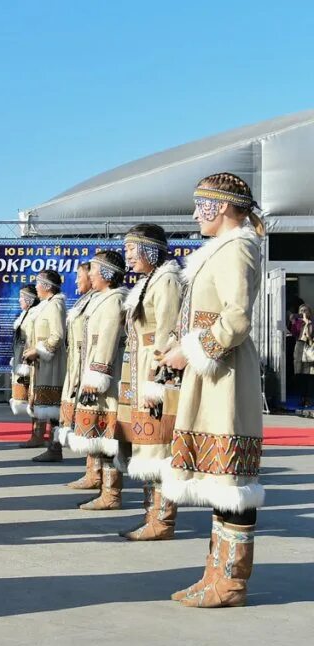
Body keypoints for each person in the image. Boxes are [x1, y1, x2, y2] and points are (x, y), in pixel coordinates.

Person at [158, 172, 265, 608]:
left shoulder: (238, 248)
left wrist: (194, 351)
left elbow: (237, 318)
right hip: (211, 371)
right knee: (220, 478)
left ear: (221, 206)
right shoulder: (219, 251)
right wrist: (180, 343)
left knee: (232, 479)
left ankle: (231, 583)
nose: (194, 213)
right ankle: (215, 574)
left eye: (201, 204)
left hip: (226, 376)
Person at [115, 224, 183, 541]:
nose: (127, 257)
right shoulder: (148, 282)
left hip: (156, 372)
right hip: (140, 370)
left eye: (131, 250)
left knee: (159, 447)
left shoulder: (167, 280)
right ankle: (150, 514)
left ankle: (162, 520)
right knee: (145, 446)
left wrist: (157, 381)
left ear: (150, 249)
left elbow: (169, 334)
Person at [67, 250, 127, 511]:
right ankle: (103, 487)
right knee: (99, 436)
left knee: (108, 436)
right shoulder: (101, 299)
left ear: (105, 273)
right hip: (93, 374)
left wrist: (97, 374)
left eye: (93, 269)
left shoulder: (114, 300)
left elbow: (108, 339)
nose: (89, 274)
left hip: (105, 380)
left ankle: (111, 494)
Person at [56, 263, 98, 489]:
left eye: (81, 276)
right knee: (85, 421)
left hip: (90, 368)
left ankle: (100, 479)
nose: (77, 281)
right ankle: (91, 472)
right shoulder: (86, 301)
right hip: (78, 366)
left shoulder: (104, 301)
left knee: (96, 423)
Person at [24, 270, 67, 462]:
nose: (36, 288)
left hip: (52, 364)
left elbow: (57, 335)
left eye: (38, 284)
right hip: (43, 363)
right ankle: (52, 445)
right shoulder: (46, 305)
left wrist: (39, 351)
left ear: (47, 286)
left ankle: (55, 447)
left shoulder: (56, 305)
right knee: (49, 408)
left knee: (54, 409)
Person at [10, 285, 39, 419]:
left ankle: (39, 433)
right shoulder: (25, 314)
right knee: (30, 399)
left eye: (21, 297)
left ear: (30, 299)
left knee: (35, 398)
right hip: (23, 359)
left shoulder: (35, 315)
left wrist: (26, 361)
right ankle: (36, 433)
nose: (19, 300)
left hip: (31, 362)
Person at [293, 304, 313, 412]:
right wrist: (294, 322)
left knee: (308, 375)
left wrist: (307, 322)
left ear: (309, 312)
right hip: (299, 347)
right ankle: (302, 398)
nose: (303, 312)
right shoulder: (298, 323)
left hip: (309, 348)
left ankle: (308, 398)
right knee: (299, 374)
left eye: (305, 310)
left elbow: (310, 336)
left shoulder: (311, 322)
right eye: (301, 311)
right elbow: (294, 333)